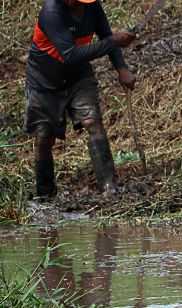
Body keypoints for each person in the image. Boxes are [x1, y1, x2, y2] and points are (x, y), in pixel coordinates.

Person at [24, 0, 136, 198]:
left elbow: (105, 35)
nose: (81, 5)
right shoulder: (51, 12)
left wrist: (122, 68)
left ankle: (109, 189)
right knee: (44, 137)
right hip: (44, 83)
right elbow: (71, 55)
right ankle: (45, 195)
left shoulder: (92, 6)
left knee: (92, 121)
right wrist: (113, 42)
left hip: (79, 77)